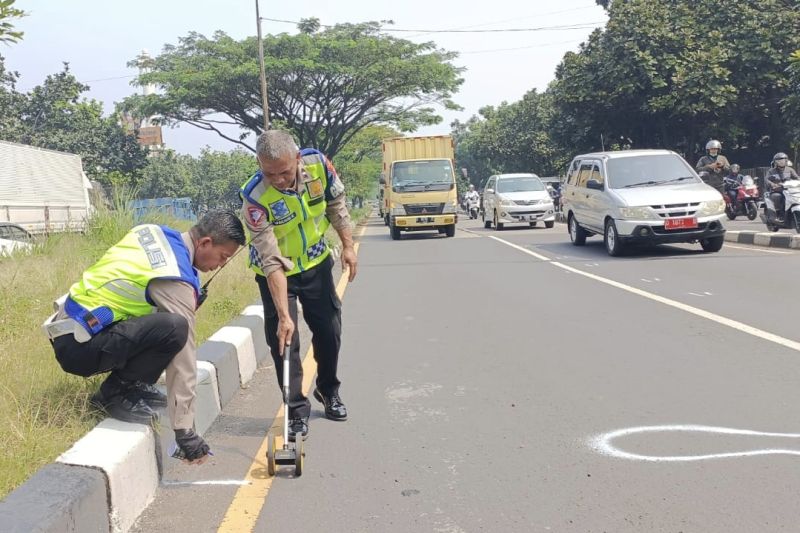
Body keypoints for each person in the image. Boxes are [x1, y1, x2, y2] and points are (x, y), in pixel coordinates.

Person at [45, 210, 245, 464]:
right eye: (223, 256)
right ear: (205, 243)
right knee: (176, 328)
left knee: (169, 325)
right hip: (80, 347)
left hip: (70, 328)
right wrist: (184, 430)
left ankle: (133, 385)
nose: (222, 264)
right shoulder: (176, 278)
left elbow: (137, 295)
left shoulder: (154, 233)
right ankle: (115, 394)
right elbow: (183, 355)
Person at [240, 130, 357, 442]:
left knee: (329, 330)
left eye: (285, 172)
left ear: (296, 158)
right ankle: (295, 410)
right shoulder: (254, 197)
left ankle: (328, 389)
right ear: (259, 164)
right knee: (284, 341)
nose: (278, 180)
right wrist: (284, 315)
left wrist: (348, 245)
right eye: (269, 173)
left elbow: (336, 204)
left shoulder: (318, 164)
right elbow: (270, 259)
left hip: (316, 262)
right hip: (276, 270)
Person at [766, 152, 800, 218]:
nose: (781, 162)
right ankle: (778, 214)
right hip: (777, 190)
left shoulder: (790, 170)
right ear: (775, 162)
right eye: (779, 161)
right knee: (778, 197)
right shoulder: (771, 171)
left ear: (786, 161)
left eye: (783, 160)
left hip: (790, 190)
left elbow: (796, 177)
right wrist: (773, 184)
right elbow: (767, 180)